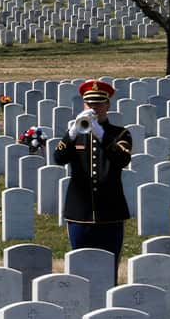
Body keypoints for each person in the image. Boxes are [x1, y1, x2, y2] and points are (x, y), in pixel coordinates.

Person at [53, 79, 133, 280]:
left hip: (110, 212)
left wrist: (100, 134)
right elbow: (59, 158)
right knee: (80, 270)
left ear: (108, 105)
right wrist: (70, 134)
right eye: (89, 103)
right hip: (80, 211)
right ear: (83, 105)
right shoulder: (75, 135)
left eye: (98, 103)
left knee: (109, 268)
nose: (94, 108)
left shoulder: (120, 134)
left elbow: (122, 159)